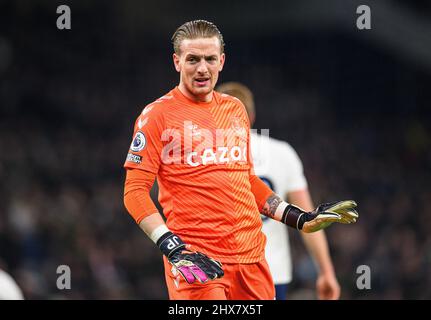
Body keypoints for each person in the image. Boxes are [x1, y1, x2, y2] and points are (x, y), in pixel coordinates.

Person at [123, 20, 358, 300]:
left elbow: (246, 180)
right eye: (192, 59)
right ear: (177, 62)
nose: (202, 68)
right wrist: (172, 247)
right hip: (198, 263)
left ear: (221, 61)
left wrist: (298, 218)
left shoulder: (234, 110)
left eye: (210, 59)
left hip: (252, 261)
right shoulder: (157, 116)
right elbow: (134, 193)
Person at [217, 82, 340, 300]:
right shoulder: (282, 153)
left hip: (217, 274)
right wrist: (326, 272)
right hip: (270, 272)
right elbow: (308, 218)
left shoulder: (199, 156)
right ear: (251, 117)